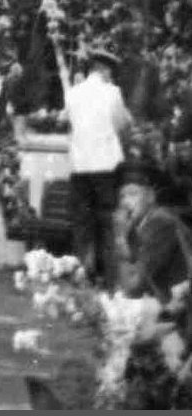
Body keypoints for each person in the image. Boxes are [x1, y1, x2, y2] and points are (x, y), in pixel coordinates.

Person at [64, 49, 133, 286]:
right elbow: (122, 124)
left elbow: (68, 122)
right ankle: (108, 277)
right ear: (104, 70)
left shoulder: (72, 93)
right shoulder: (112, 92)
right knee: (106, 221)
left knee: (83, 221)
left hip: (80, 166)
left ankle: (85, 273)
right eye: (111, 72)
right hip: (106, 166)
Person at [115, 160, 191, 304]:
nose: (125, 202)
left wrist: (120, 237)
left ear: (150, 196)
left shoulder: (161, 223)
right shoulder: (134, 227)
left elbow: (133, 288)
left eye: (133, 194)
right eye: (122, 196)